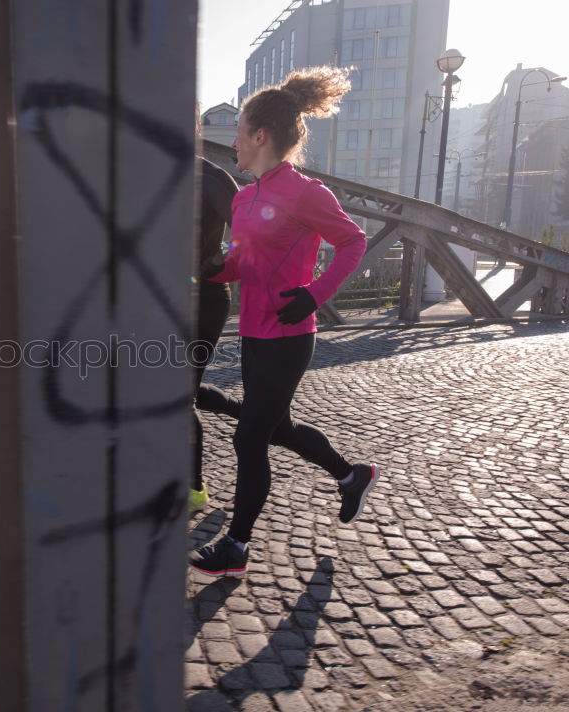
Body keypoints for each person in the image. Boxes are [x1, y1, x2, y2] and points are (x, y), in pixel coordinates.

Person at [190, 66, 379, 578]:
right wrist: (209, 270)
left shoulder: (304, 192)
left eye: (238, 131)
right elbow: (243, 260)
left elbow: (353, 242)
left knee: (250, 438)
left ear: (260, 136)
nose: (232, 141)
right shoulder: (245, 196)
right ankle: (351, 475)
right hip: (252, 330)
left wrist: (316, 294)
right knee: (279, 427)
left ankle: (236, 546)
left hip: (290, 335)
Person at [188, 154, 242, 512]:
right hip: (154, 303)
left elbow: (248, 232)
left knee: (177, 394)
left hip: (203, 300)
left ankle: (193, 490)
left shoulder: (210, 177)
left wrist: (212, 265)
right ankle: (254, 415)